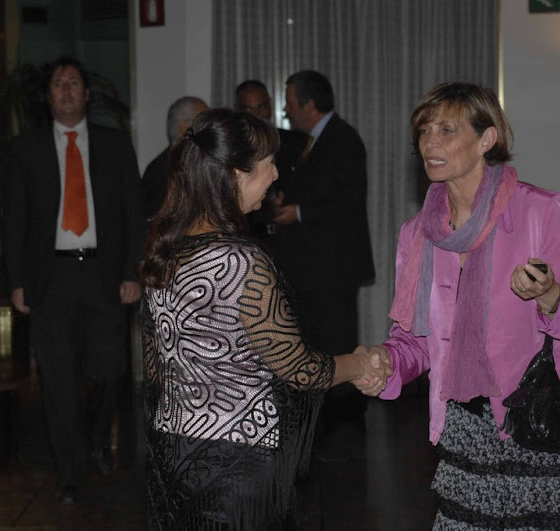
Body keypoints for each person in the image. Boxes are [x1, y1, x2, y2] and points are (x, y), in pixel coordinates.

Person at [366, 82, 560, 529]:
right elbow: (417, 342)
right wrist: (383, 363)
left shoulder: (540, 211)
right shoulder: (417, 234)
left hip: (544, 423)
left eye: (447, 130)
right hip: (465, 433)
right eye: (424, 131)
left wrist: (550, 296)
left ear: (487, 140)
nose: (430, 143)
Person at [139, 108, 388, 530]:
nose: (275, 175)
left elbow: (156, 368)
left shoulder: (164, 251)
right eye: (269, 164)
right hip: (236, 461)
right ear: (234, 175)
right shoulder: (241, 262)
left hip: (174, 455)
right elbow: (300, 370)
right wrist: (361, 363)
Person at [3, 56, 146, 504]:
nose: (65, 89)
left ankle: (98, 438)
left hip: (104, 275)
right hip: (51, 279)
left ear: (86, 94)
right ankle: (69, 473)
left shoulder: (114, 144)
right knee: (59, 381)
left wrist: (133, 272)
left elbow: (134, 214)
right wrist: (17, 281)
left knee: (109, 372)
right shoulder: (25, 149)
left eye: (73, 83)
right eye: (57, 84)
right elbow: (14, 221)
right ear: (48, 97)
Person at [272, 70, 375, 462]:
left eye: (290, 102)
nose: (286, 109)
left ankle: (343, 422)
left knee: (336, 341)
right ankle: (322, 420)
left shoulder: (343, 139)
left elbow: (349, 200)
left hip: (334, 268)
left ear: (309, 104)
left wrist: (298, 212)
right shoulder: (311, 141)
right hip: (313, 268)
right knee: (317, 341)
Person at [234, 80, 308, 241]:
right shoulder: (230, 150)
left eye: (261, 107)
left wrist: (296, 208)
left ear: (270, 105)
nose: (256, 115)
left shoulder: (297, 143)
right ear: (238, 111)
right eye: (248, 109)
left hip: (296, 239)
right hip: (249, 239)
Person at [142, 96, 209, 219]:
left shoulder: (193, 162)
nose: (209, 128)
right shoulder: (161, 170)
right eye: (204, 121)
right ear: (185, 127)